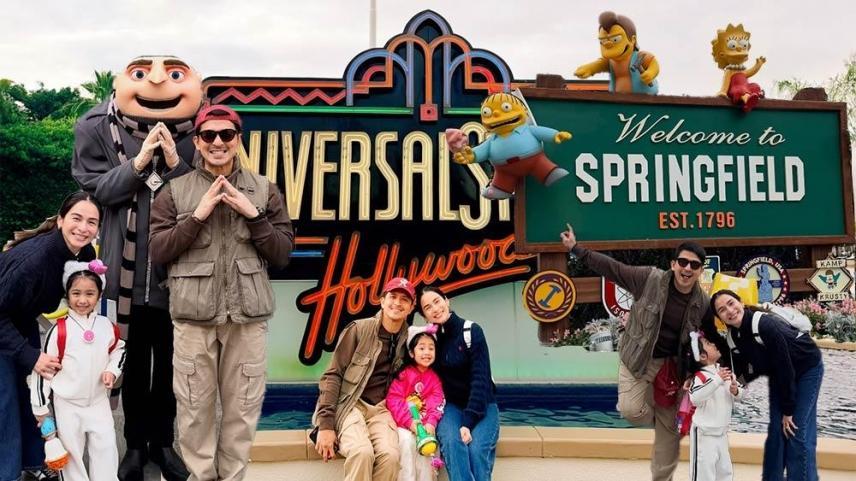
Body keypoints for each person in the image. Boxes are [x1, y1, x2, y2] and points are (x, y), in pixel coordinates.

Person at [71, 55, 203, 481]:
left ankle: (163, 444)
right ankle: (134, 445)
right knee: (127, 358)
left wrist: (175, 164)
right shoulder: (96, 127)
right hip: (122, 277)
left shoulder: (203, 131)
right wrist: (138, 164)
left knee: (167, 364)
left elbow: (201, 196)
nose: (159, 80)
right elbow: (96, 191)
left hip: (175, 275)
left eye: (175, 72)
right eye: (143, 72)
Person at [149, 104, 294, 481]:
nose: (217, 142)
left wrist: (254, 215)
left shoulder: (264, 189)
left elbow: (281, 253)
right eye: (209, 135)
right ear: (196, 142)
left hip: (247, 320)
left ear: (237, 141)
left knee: (242, 412)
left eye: (226, 135)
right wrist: (197, 216)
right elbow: (159, 251)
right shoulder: (174, 191)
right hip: (193, 321)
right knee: (195, 410)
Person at [560, 223, 720, 481]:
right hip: (637, 359)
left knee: (670, 434)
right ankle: (659, 411)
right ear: (673, 264)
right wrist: (576, 249)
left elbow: (715, 338)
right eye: (683, 262)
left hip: (671, 369)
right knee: (631, 411)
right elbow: (613, 269)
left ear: (701, 270)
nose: (687, 268)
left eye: (694, 265)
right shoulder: (649, 279)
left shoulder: (701, 303)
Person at [0, 192, 100, 481]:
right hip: (2, 317)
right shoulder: (36, 260)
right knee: (5, 399)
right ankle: (7, 474)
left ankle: (33, 463)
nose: (83, 227)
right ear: (60, 221)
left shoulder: (85, 254)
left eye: (92, 222)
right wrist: (30, 355)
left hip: (21, 317)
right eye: (76, 219)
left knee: (32, 393)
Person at [710, 290, 823, 481]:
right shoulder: (733, 338)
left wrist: (788, 410)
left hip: (806, 370)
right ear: (719, 318)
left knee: (795, 430)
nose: (729, 310)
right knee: (777, 434)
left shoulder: (765, 324)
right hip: (782, 376)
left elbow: (784, 366)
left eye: (731, 303)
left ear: (741, 302)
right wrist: (732, 384)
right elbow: (748, 370)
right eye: (722, 310)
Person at [30, 260, 126, 481]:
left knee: (106, 450)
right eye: (76, 293)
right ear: (68, 295)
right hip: (67, 405)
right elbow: (42, 371)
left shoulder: (107, 326)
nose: (83, 300)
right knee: (71, 457)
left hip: (99, 403)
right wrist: (41, 408)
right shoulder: (59, 331)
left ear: (99, 296)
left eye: (90, 294)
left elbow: (119, 350)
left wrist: (112, 370)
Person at [313, 277, 416, 481]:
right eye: (392, 297)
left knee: (391, 456)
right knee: (362, 452)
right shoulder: (359, 329)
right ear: (382, 300)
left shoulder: (409, 339)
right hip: (350, 404)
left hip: (381, 409)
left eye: (404, 299)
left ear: (411, 307)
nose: (397, 303)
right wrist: (325, 425)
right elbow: (332, 375)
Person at [418, 286, 498, 481]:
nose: (435, 309)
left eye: (437, 301)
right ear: (425, 316)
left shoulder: (471, 331)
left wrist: (467, 423)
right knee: (453, 443)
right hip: (450, 406)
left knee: (477, 451)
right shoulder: (430, 341)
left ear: (447, 300)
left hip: (482, 404)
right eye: (428, 307)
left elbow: (481, 382)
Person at [386, 324, 445, 481]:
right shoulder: (403, 375)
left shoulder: (435, 379)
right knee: (406, 443)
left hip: (425, 427)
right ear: (412, 353)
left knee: (428, 450)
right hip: (405, 425)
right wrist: (410, 422)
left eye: (431, 348)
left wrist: (431, 423)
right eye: (422, 348)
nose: (427, 352)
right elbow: (394, 400)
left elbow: (437, 402)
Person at [685, 331, 744, 481]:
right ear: (702, 356)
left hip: (721, 433)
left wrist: (736, 390)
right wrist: (717, 380)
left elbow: (739, 395)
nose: (714, 344)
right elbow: (696, 398)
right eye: (709, 344)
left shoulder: (723, 372)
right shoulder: (700, 377)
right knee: (704, 474)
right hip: (705, 435)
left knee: (724, 472)